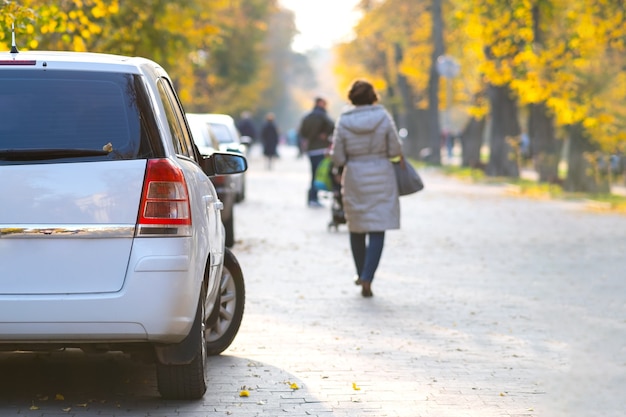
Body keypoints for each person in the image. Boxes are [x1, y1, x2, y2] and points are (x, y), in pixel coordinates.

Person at [330, 79, 403, 298]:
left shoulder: (343, 120)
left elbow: (338, 156)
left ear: (352, 97)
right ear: (373, 96)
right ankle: (368, 277)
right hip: (381, 174)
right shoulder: (383, 117)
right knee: (377, 227)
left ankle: (360, 272)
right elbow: (395, 149)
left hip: (355, 177)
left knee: (357, 226)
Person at [298, 97, 335, 207]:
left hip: (311, 149)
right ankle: (314, 198)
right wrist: (325, 135)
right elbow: (333, 127)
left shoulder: (307, 117)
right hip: (321, 149)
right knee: (319, 174)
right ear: (320, 103)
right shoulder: (323, 117)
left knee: (313, 173)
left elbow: (302, 132)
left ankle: (311, 197)